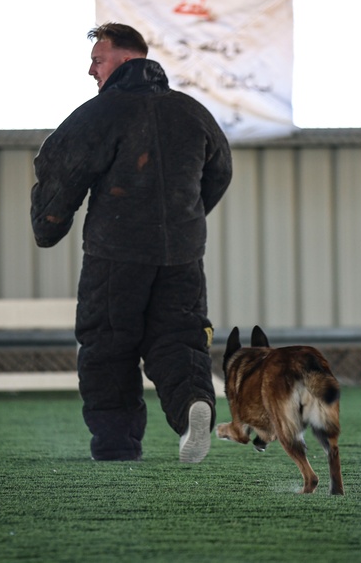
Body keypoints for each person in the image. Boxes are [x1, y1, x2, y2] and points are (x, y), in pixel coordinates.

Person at [30, 23, 232, 462]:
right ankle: (194, 406)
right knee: (179, 338)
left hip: (115, 255)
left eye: (97, 60)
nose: (90, 71)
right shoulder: (192, 111)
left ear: (124, 60)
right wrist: (184, 219)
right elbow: (220, 172)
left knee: (108, 344)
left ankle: (117, 445)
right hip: (181, 255)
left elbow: (60, 168)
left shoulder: (101, 113)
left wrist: (49, 225)